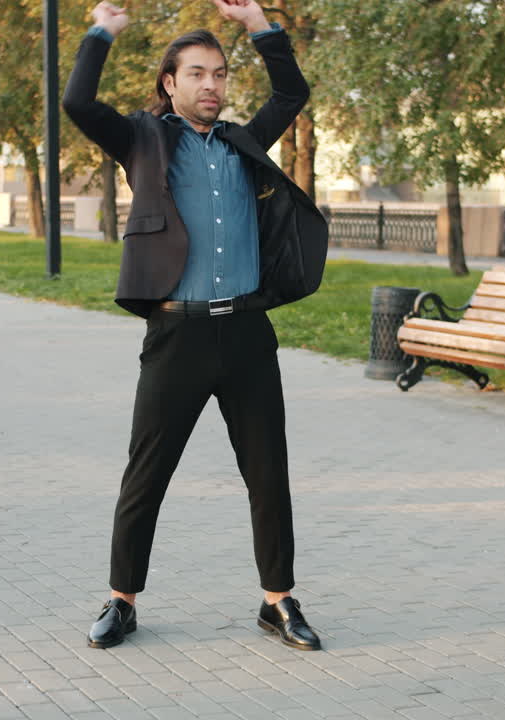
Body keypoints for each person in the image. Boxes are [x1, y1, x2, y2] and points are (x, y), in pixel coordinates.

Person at [62, 0, 328, 651]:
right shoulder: (142, 139)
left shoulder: (243, 141)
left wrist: (260, 25)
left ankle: (278, 601)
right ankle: (122, 600)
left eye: (220, 74)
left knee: (269, 472)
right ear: (170, 83)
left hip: (246, 336)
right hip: (176, 335)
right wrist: (101, 32)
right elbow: (77, 103)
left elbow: (292, 89)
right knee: (145, 475)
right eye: (198, 74)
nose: (211, 85)